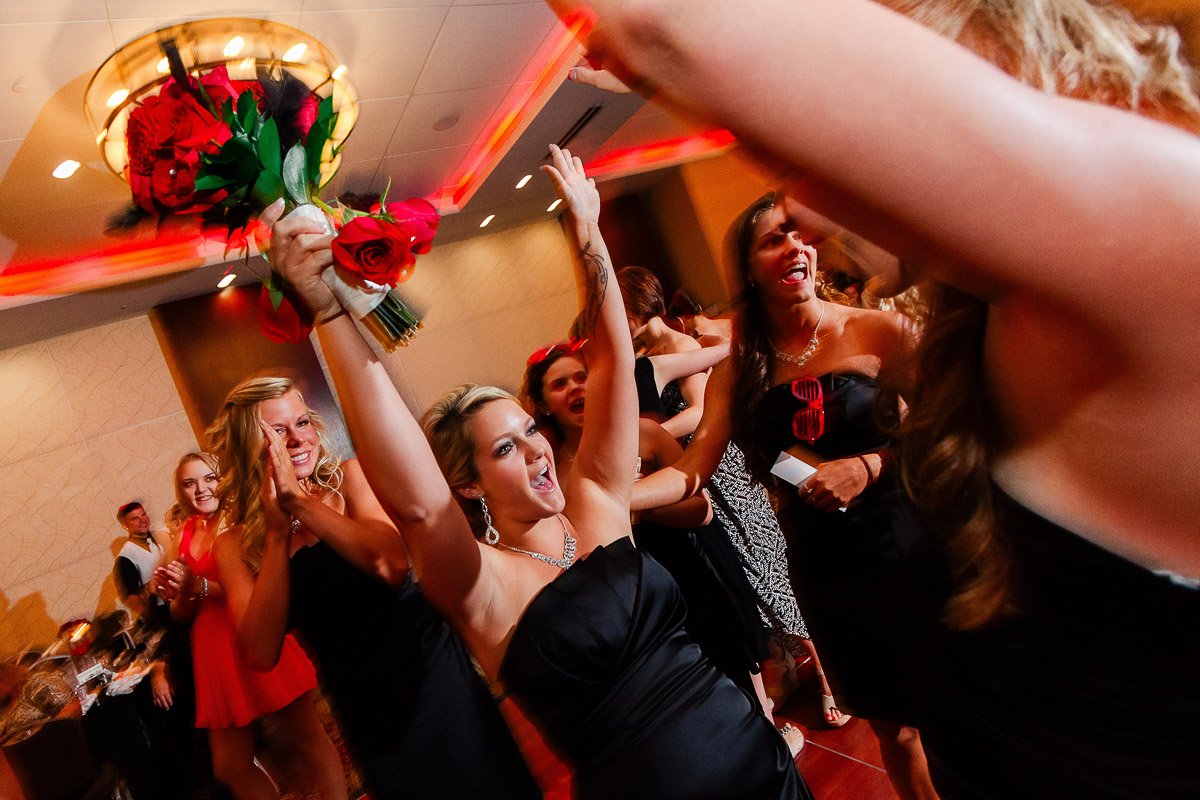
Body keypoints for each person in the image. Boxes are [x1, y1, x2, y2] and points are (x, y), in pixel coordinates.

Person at [549, 0, 1200, 796]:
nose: (805, 225)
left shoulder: (1167, 224)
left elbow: (666, 23)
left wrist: (664, 53)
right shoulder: (1002, 313)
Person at [265, 145, 811, 799]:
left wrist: (589, 237)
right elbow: (414, 505)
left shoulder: (597, 509)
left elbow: (610, 366)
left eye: (528, 433)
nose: (534, 451)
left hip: (764, 768)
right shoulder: (480, 584)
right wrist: (329, 314)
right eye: (503, 450)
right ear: (466, 484)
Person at [205, 378, 542, 800]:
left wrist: (301, 504)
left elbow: (390, 565)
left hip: (432, 673)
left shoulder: (350, 480)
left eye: (303, 422)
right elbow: (259, 650)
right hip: (364, 706)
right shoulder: (235, 544)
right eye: (278, 431)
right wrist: (275, 536)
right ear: (245, 445)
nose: (297, 439)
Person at [519, 343, 810, 752]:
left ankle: (763, 747)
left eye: (581, 377)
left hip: (688, 568)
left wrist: (632, 503)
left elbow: (702, 509)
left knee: (729, 669)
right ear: (544, 403)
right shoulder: (551, 467)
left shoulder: (641, 433)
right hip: (630, 599)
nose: (574, 388)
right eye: (559, 384)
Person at [620, 265, 851, 730]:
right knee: (748, 576)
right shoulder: (643, 359)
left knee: (770, 565)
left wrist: (649, 434)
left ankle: (830, 676)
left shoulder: (681, 349)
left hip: (719, 468)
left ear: (636, 305)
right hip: (688, 474)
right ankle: (788, 663)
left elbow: (705, 413)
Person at [156, 452, 345, 800]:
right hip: (211, 649)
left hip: (252, 629)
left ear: (223, 479)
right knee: (229, 766)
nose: (200, 489)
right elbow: (182, 613)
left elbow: (260, 583)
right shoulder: (185, 532)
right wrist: (180, 593)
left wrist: (199, 588)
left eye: (208, 478)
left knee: (308, 738)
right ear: (180, 490)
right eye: (189, 483)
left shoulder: (242, 521)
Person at [113, 502, 173, 625]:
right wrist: (152, 620)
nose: (142, 520)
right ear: (125, 526)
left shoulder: (162, 537)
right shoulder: (125, 557)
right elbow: (131, 598)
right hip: (162, 615)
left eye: (143, 514)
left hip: (181, 604)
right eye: (135, 519)